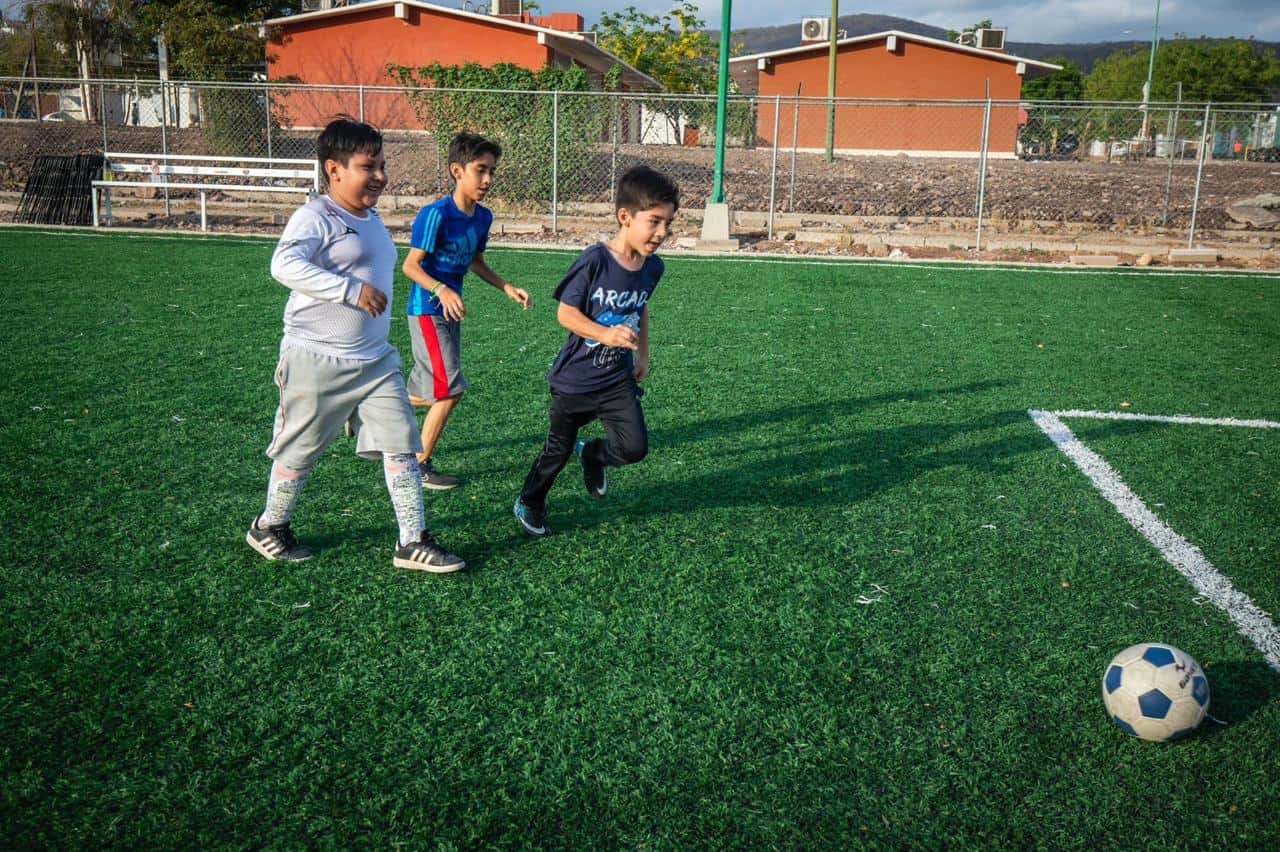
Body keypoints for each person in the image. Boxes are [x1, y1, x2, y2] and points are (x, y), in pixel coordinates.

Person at [246, 117, 464, 573]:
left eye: (382, 164)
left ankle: (412, 541)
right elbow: (283, 265)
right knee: (298, 452)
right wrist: (349, 291)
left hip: (375, 360)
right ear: (334, 169)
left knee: (401, 444)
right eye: (370, 166)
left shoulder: (371, 217)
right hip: (316, 358)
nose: (381, 176)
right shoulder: (315, 216)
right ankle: (269, 526)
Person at [513, 165, 678, 537]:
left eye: (668, 223)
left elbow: (642, 307)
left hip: (616, 380)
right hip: (575, 381)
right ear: (625, 217)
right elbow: (565, 313)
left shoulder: (653, 268)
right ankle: (531, 501)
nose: (662, 233)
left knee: (634, 448)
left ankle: (593, 454)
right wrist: (604, 333)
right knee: (556, 452)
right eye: (654, 221)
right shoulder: (595, 259)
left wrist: (643, 355)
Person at [402, 132, 531, 490]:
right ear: (457, 171)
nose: (488, 179)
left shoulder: (482, 218)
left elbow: (476, 263)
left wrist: (506, 287)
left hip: (450, 312)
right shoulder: (435, 214)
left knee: (434, 390)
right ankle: (419, 464)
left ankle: (366, 407)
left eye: (492, 171)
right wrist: (441, 289)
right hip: (426, 310)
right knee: (449, 391)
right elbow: (411, 267)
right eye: (480, 170)